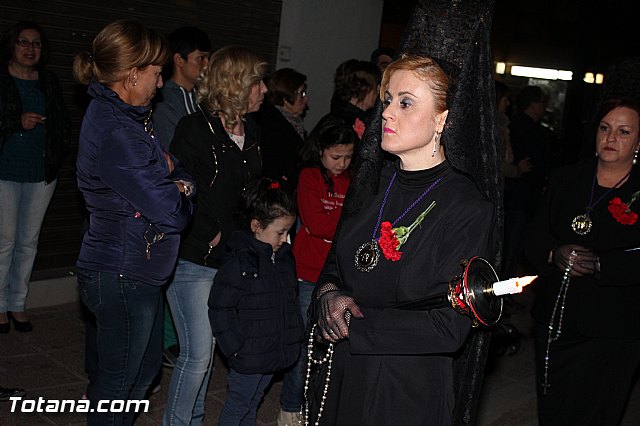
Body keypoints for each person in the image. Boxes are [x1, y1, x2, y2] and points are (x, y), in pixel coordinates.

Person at [307, 54, 496, 425]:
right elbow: (337, 264)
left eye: (405, 103)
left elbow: (448, 327)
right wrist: (329, 294)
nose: (387, 113)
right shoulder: (371, 184)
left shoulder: (466, 207)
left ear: (442, 120)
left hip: (402, 389)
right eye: (388, 100)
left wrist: (355, 325)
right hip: (343, 373)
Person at [73, 19, 194, 425]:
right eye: (157, 73)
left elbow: (178, 169)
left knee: (141, 374)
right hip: (122, 270)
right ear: (132, 75)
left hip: (138, 267)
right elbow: (173, 213)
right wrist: (179, 189)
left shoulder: (127, 117)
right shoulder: (118, 131)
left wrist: (178, 182)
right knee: (118, 385)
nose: (161, 84)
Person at [164, 45, 266, 425]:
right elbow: (177, 186)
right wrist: (209, 232)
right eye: (257, 82)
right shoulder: (195, 129)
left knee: (206, 353)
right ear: (236, 84)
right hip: (193, 257)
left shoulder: (251, 130)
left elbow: (250, 191)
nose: (264, 90)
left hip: (232, 257)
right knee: (197, 355)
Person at [526, 97, 640, 426]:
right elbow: (534, 236)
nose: (611, 138)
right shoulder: (567, 178)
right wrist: (554, 252)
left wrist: (602, 264)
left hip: (614, 328)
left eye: (623, 131)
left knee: (597, 412)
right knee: (554, 409)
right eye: (605, 128)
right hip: (556, 321)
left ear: (638, 142)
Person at [277, 116, 356, 425]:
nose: (342, 163)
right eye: (336, 156)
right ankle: (290, 407)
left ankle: (318, 407)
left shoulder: (352, 180)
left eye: (348, 157)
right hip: (307, 274)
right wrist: (347, 222)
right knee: (303, 346)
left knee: (331, 346)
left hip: (339, 276)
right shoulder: (309, 176)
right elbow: (316, 223)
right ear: (321, 150)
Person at [209, 177, 304, 426]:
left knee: (253, 402)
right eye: (280, 233)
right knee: (238, 405)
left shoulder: (283, 259)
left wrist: (293, 336)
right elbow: (220, 307)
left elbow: (291, 302)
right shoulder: (241, 261)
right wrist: (234, 347)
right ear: (256, 226)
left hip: (273, 350)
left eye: (288, 232)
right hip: (248, 354)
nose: (284, 239)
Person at [0, 21, 70, 333]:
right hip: (6, 170)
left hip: (41, 172)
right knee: (5, 240)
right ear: (11, 46)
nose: (30, 49)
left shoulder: (49, 80)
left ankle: (18, 303)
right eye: (23, 42)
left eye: (36, 43)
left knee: (28, 241)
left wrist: (58, 152)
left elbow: (62, 121)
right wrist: (16, 122)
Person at [153, 25, 211, 370]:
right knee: (172, 265)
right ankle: (168, 341)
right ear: (179, 59)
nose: (205, 65)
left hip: (193, 190)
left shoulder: (199, 97)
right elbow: (174, 153)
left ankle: (175, 338)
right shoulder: (168, 100)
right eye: (200, 58)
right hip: (176, 192)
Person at [503, 85, 549, 277]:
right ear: (532, 104)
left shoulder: (522, 125)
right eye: (542, 103)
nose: (544, 108)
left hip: (521, 195)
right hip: (519, 196)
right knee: (511, 246)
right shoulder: (520, 127)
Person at [255, 67, 308, 196]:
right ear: (286, 97)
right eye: (301, 94)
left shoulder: (292, 123)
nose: (306, 99)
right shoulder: (272, 125)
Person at [495, 81, 531, 179]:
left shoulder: (501, 124)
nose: (508, 103)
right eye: (505, 100)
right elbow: (495, 165)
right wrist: (517, 170)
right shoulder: (493, 128)